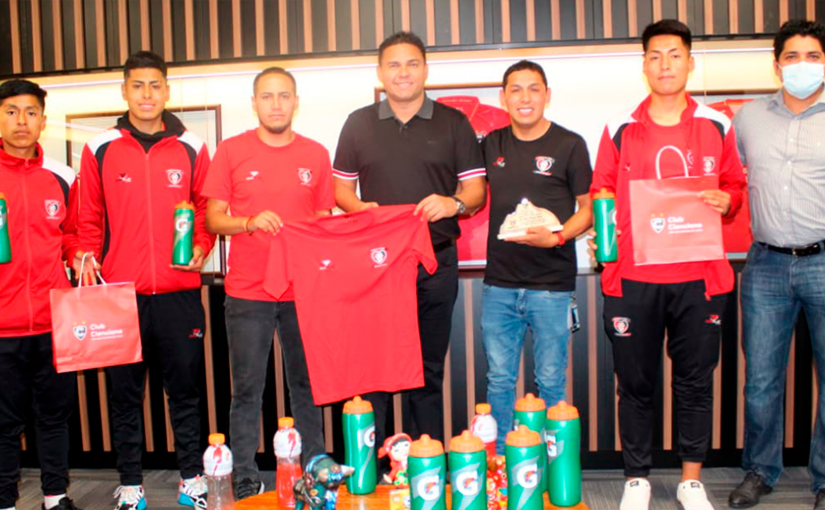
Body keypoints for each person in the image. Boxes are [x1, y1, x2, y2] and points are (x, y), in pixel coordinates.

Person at [587, 20, 746, 510]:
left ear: (690, 62)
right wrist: (602, 240)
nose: (665, 65)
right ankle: (637, 478)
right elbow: (601, 193)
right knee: (634, 383)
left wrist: (727, 200)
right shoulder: (620, 128)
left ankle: (691, 479)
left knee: (695, 382)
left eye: (674, 55)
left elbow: (736, 188)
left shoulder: (717, 124)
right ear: (644, 65)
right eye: (655, 56)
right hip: (633, 278)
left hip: (699, 278)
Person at [332, 31, 486, 449]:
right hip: (376, 266)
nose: (403, 73)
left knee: (427, 368)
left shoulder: (453, 123)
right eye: (394, 65)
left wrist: (451, 203)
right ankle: (375, 467)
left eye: (412, 64)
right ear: (381, 72)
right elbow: (340, 190)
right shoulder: (358, 122)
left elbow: (476, 192)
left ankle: (427, 458)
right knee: (374, 369)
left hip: (435, 263)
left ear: (425, 71)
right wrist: (360, 209)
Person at [77, 51, 214, 510]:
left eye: (155, 85)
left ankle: (191, 479)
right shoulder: (100, 147)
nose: (147, 94)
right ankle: (131, 485)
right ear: (124, 92)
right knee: (124, 397)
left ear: (167, 91)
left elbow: (206, 211)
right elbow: (88, 220)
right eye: (138, 85)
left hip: (178, 294)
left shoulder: (193, 146)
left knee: (186, 394)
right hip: (120, 297)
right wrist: (84, 255)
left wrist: (203, 245)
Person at [203, 66, 334, 501]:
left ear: (296, 102)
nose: (276, 104)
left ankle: (316, 462)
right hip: (247, 291)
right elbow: (213, 218)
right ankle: (242, 471)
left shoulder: (316, 154)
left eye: (284, 96)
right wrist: (248, 221)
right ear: (254, 102)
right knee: (246, 389)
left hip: (304, 291)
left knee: (308, 385)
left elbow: (323, 219)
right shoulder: (231, 151)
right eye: (267, 96)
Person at [729, 19, 825, 510]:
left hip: (824, 259)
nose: (802, 65)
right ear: (777, 64)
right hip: (764, 263)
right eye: (792, 56)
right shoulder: (747, 119)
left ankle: (824, 478)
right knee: (762, 378)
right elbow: (733, 180)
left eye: (813, 55)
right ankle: (760, 471)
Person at [480, 60, 592, 454]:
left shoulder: (570, 144)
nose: (524, 97)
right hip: (499, 286)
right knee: (498, 380)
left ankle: (548, 463)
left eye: (533, 89)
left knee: (550, 381)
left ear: (547, 94)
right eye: (515, 89)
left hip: (552, 288)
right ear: (503, 97)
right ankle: (501, 466)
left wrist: (558, 237)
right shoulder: (491, 144)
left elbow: (587, 207)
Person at [0, 79, 84, 510]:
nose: (21, 121)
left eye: (30, 112)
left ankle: (56, 495)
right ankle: (5, 501)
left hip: (55, 320)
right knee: (4, 423)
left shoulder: (62, 176)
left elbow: (70, 236)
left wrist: (81, 253)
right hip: (2, 326)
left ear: (43, 122)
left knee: (55, 417)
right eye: (12, 111)